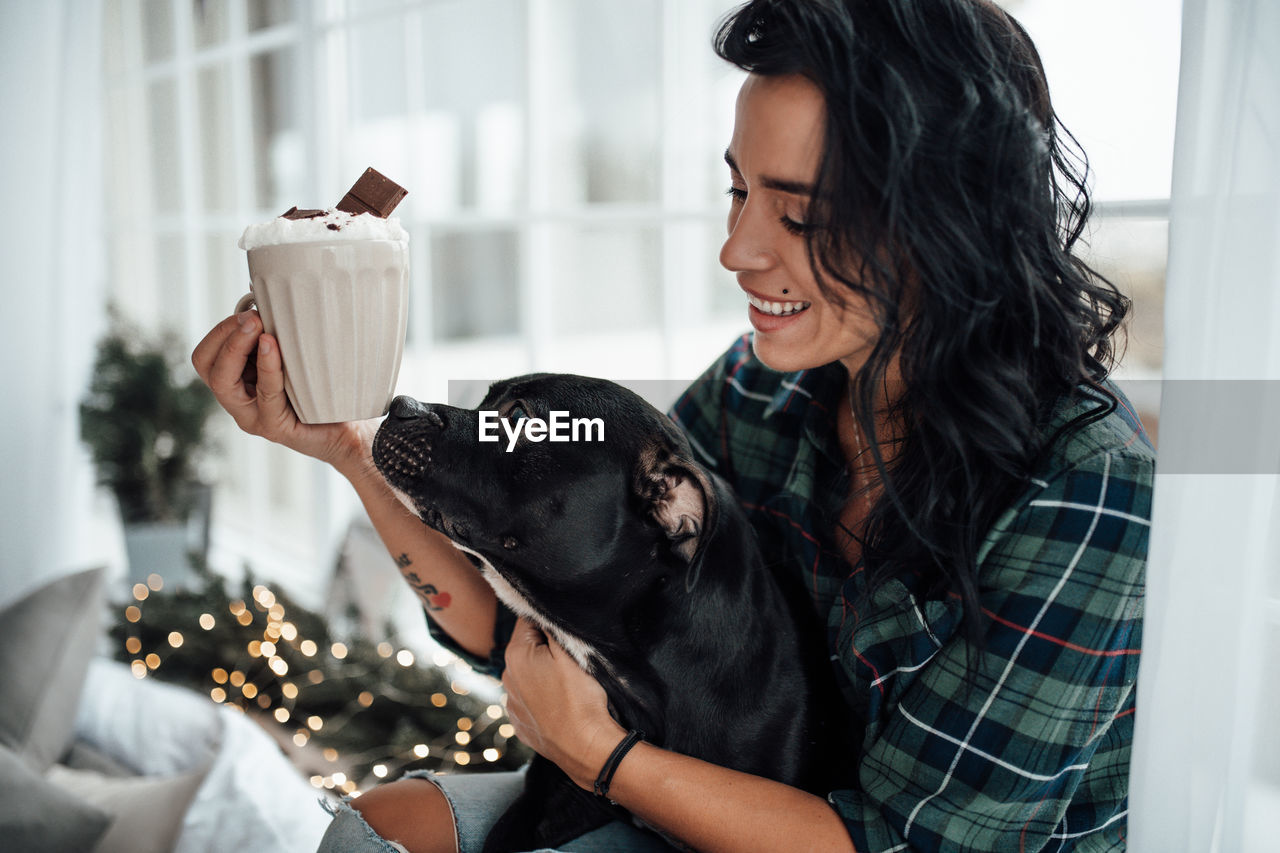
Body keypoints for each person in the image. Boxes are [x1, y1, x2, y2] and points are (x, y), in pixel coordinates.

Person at [192, 0, 1154, 850]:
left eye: (802, 215)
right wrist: (352, 449)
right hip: (685, 798)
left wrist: (603, 757)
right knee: (377, 832)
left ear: (950, 220)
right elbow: (530, 618)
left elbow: (902, 845)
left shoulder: (1083, 490)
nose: (737, 249)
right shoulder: (760, 394)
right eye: (740, 190)